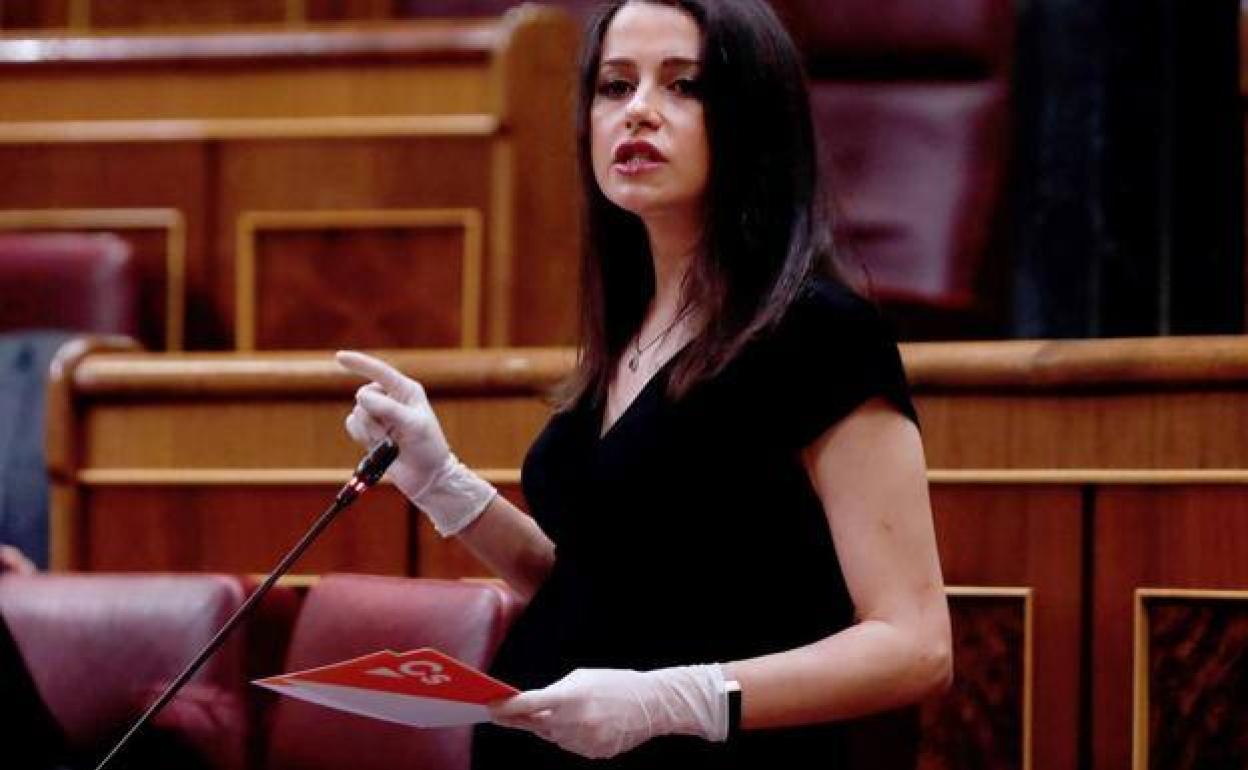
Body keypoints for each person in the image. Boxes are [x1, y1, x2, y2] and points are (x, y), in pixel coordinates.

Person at [338, 0, 952, 767]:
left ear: (753, 115)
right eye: (615, 86)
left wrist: (676, 700)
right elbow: (605, 592)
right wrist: (443, 484)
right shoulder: (629, 332)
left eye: (683, 85)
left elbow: (914, 645)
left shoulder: (820, 334)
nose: (638, 111)